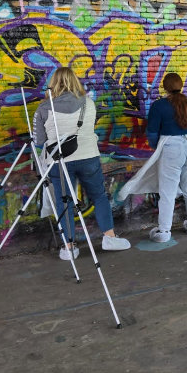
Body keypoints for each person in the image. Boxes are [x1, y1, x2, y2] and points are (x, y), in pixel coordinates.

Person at [33, 66, 131, 260]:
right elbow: (88, 129)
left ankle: (69, 248)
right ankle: (110, 238)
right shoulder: (88, 103)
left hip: (59, 161)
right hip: (88, 156)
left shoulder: (44, 108)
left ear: (53, 83)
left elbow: (39, 141)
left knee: (64, 203)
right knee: (99, 196)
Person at [145, 73, 187, 243]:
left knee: (167, 192)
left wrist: (156, 147)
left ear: (165, 87)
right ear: (181, 86)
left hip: (171, 146)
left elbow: (152, 132)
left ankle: (164, 231)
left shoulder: (159, 105)